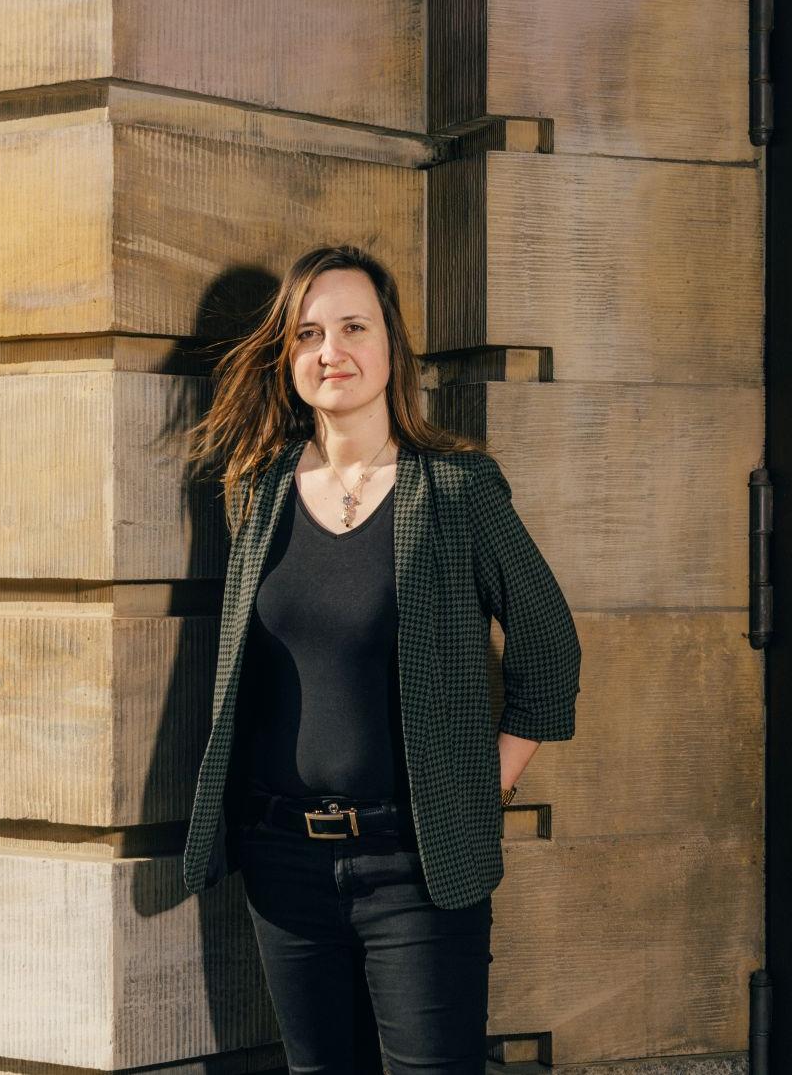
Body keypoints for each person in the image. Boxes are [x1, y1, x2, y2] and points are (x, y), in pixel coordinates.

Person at [178, 244, 582, 1073]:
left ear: (391, 347)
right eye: (309, 333)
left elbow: (550, 644)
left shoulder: (455, 487)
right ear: (288, 358)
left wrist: (487, 780)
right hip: (283, 860)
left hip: (416, 864)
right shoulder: (258, 488)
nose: (332, 351)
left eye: (353, 327)